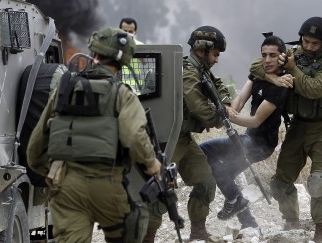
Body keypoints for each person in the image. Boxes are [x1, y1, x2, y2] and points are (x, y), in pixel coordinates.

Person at [26, 27, 161, 243]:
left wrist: (53, 174)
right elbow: (134, 137)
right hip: (107, 184)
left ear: (93, 54)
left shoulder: (64, 88)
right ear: (124, 62)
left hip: (67, 187)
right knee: (133, 225)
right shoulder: (123, 94)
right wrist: (152, 164)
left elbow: (34, 149)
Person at [143, 25, 231, 242]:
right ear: (202, 50)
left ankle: (198, 233)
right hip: (165, 139)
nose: (216, 60)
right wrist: (219, 117)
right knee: (159, 191)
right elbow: (199, 109)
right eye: (215, 54)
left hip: (181, 137)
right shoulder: (188, 72)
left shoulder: (198, 68)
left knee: (206, 180)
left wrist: (225, 101)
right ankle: (147, 238)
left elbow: (217, 83)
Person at [199, 35, 292, 228]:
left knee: (213, 160)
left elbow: (255, 121)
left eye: (273, 56)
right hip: (248, 139)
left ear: (282, 57)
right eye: (264, 55)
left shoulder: (282, 86)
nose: (267, 60)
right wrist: (228, 109)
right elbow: (239, 102)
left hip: (261, 145)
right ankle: (247, 221)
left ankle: (237, 203)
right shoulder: (258, 74)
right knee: (219, 167)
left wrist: (223, 113)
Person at [269, 17, 322, 243]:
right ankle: (291, 222)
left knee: (319, 181)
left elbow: (314, 89)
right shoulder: (293, 53)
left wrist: (292, 68)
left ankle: (320, 230)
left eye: (315, 43)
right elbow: (259, 64)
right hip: (299, 124)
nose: (310, 47)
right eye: (306, 41)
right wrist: (276, 67)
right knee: (280, 181)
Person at [119, 17, 146, 95]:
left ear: (135, 32)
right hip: (118, 88)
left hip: (136, 90)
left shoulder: (139, 45)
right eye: (125, 31)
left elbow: (144, 62)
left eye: (130, 31)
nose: (128, 33)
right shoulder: (113, 45)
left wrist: (132, 46)